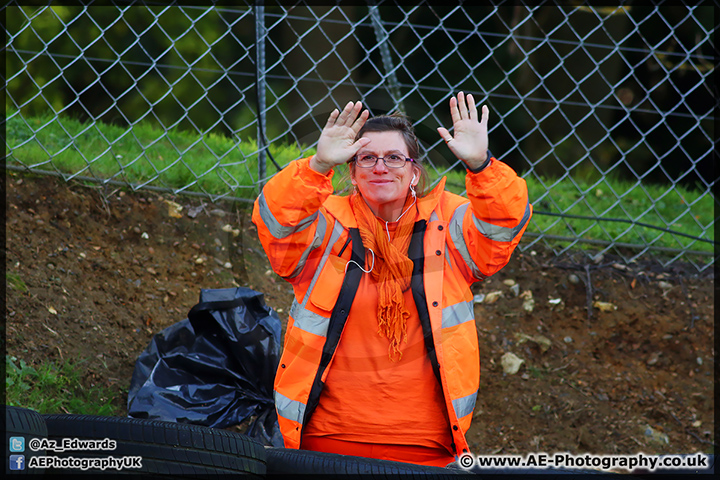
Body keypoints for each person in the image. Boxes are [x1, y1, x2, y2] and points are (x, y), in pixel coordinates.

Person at [252, 92, 532, 467]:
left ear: (414, 171)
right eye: (366, 157)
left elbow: (504, 225)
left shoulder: (449, 222)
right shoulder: (327, 224)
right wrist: (318, 165)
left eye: (394, 158)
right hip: (324, 443)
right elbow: (279, 224)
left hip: (426, 447)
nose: (380, 167)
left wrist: (481, 165)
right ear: (351, 172)